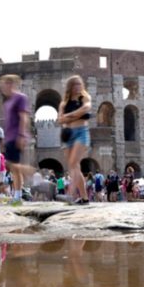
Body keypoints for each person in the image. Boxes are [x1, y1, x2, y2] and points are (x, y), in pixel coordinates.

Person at [58, 75, 92, 205]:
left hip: (81, 133)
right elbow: (60, 120)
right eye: (75, 84)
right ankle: (84, 198)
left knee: (73, 163)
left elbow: (86, 108)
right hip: (68, 134)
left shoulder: (85, 97)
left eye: (80, 84)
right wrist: (76, 115)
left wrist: (68, 116)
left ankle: (70, 194)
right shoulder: (64, 103)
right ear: (70, 87)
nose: (78, 87)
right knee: (75, 167)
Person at [0, 74, 32, 204]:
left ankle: (18, 195)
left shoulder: (20, 98)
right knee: (12, 168)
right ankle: (17, 195)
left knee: (14, 167)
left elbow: (23, 116)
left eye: (4, 84)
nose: (2, 87)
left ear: (10, 84)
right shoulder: (7, 102)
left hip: (16, 136)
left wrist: (22, 134)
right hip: (9, 137)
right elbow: (8, 123)